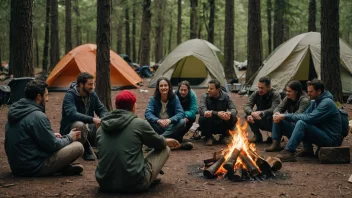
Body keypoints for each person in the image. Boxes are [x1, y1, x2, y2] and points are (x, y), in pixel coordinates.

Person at [96, 90, 180, 193]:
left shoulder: (101, 128)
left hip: (105, 183)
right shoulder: (139, 124)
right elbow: (159, 143)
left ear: (116, 106)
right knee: (165, 149)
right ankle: (148, 178)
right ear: (133, 106)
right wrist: (166, 141)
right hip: (135, 184)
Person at [5, 80, 84, 177]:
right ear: (39, 97)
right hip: (33, 167)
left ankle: (61, 168)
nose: (47, 99)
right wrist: (70, 137)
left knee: (59, 141)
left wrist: (51, 136)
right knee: (78, 147)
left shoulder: (16, 111)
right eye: (46, 95)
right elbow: (53, 145)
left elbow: (27, 138)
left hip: (17, 166)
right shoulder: (38, 116)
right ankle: (58, 168)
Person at [275, 80, 343, 162]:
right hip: (324, 134)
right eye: (308, 91)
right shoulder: (314, 102)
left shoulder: (327, 103)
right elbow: (304, 115)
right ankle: (308, 149)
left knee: (302, 123)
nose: (308, 94)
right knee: (300, 121)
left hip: (332, 140)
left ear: (319, 91)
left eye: (311, 92)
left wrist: (285, 116)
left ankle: (289, 151)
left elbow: (310, 118)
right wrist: (285, 116)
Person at [60, 72, 108, 160]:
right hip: (71, 130)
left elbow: (102, 109)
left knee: (104, 121)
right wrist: (92, 119)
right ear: (81, 84)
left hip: (88, 128)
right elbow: (72, 114)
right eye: (90, 84)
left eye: (93, 84)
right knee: (79, 125)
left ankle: (102, 149)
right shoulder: (70, 95)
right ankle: (85, 148)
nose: (92, 87)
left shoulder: (92, 94)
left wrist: (103, 119)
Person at [145, 77, 192, 150]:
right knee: (146, 122)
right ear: (158, 87)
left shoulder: (174, 98)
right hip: (159, 126)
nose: (164, 88)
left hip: (171, 127)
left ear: (169, 87)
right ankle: (173, 144)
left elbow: (180, 113)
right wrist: (157, 120)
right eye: (161, 86)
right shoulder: (153, 99)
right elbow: (148, 113)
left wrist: (170, 120)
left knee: (182, 121)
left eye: (165, 85)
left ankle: (158, 142)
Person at [265, 80, 311, 152]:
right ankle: (276, 143)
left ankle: (300, 145)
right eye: (286, 91)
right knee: (277, 117)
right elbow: (278, 108)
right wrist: (276, 114)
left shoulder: (304, 101)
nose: (287, 93)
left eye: (290, 91)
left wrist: (283, 116)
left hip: (301, 129)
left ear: (297, 91)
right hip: (292, 126)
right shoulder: (288, 98)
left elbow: (297, 115)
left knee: (281, 118)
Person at [198, 79, 238, 146]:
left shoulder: (225, 97)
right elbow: (202, 110)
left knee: (233, 117)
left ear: (218, 89)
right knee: (203, 118)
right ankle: (208, 137)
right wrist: (217, 114)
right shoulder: (204, 96)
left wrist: (228, 113)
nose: (208, 90)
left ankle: (225, 136)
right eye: (208, 88)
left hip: (221, 123)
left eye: (211, 89)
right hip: (210, 123)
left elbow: (234, 109)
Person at [244, 76, 281, 143]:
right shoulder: (256, 93)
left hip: (271, 118)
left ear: (268, 87)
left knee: (276, 117)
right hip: (260, 117)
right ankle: (257, 136)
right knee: (248, 116)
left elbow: (274, 108)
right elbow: (247, 106)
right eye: (259, 87)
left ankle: (276, 138)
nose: (260, 90)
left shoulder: (275, 94)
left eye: (262, 88)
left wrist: (262, 112)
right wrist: (251, 113)